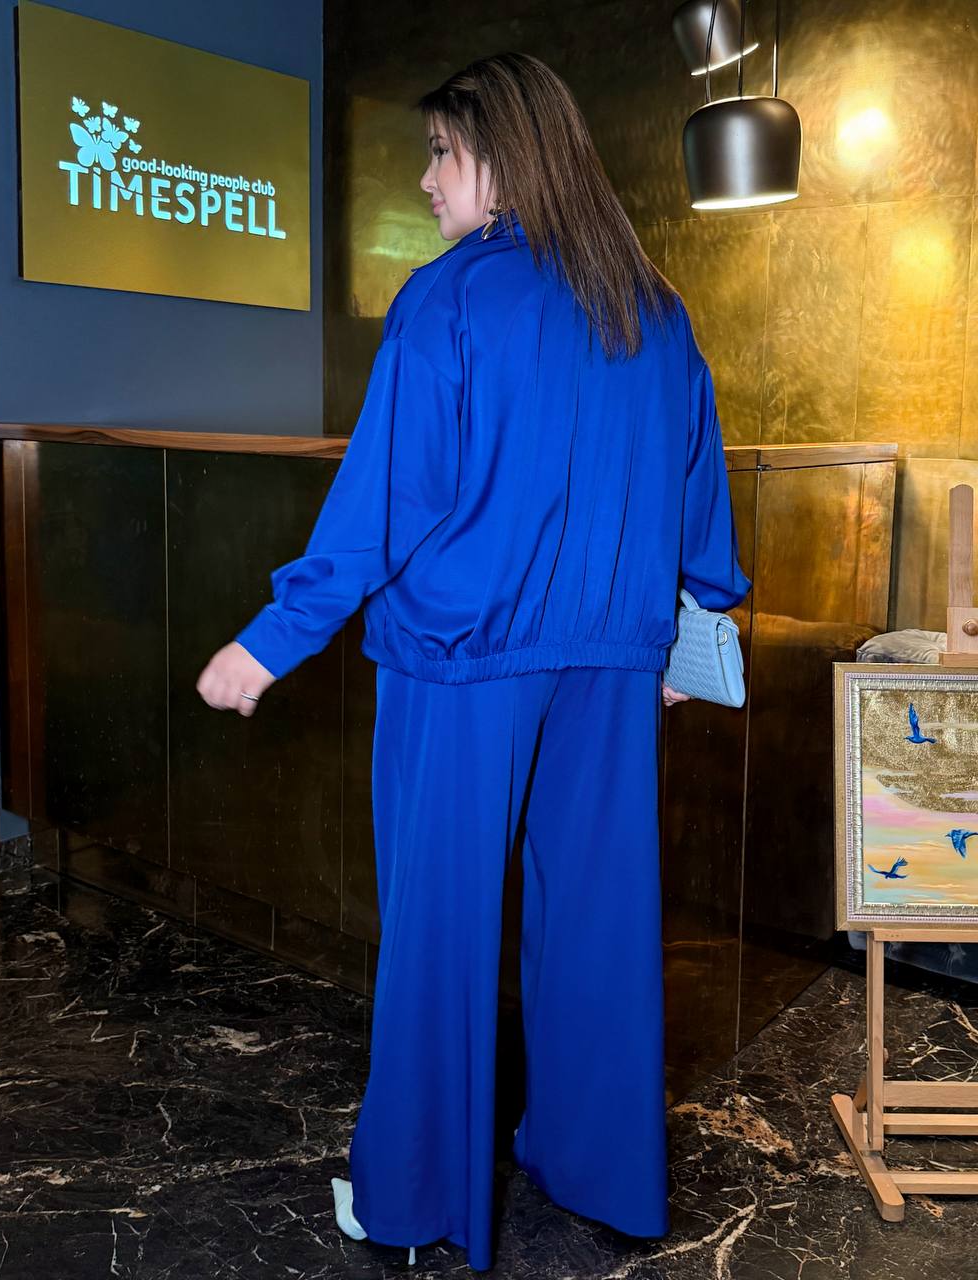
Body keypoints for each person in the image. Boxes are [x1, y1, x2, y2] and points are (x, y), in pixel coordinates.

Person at [196, 51, 752, 1273]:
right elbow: (695, 485)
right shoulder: (653, 307)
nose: (426, 177)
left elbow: (384, 500)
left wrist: (271, 639)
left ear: (501, 157)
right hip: (612, 661)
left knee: (440, 937)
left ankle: (412, 1199)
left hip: (460, 660)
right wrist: (694, 620)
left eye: (442, 152)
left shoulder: (447, 299)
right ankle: (602, 1171)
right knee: (600, 924)